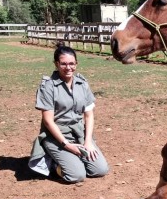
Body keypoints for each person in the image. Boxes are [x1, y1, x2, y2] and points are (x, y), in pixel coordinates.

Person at [29, 43, 109, 183]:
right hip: (57, 137)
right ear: (56, 64)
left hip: (78, 135)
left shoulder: (82, 84)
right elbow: (48, 121)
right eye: (63, 64)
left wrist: (88, 142)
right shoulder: (48, 87)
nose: (68, 68)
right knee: (76, 175)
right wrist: (66, 145)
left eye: (72, 63)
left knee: (100, 170)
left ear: (76, 64)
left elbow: (89, 115)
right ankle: (52, 163)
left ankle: (73, 159)